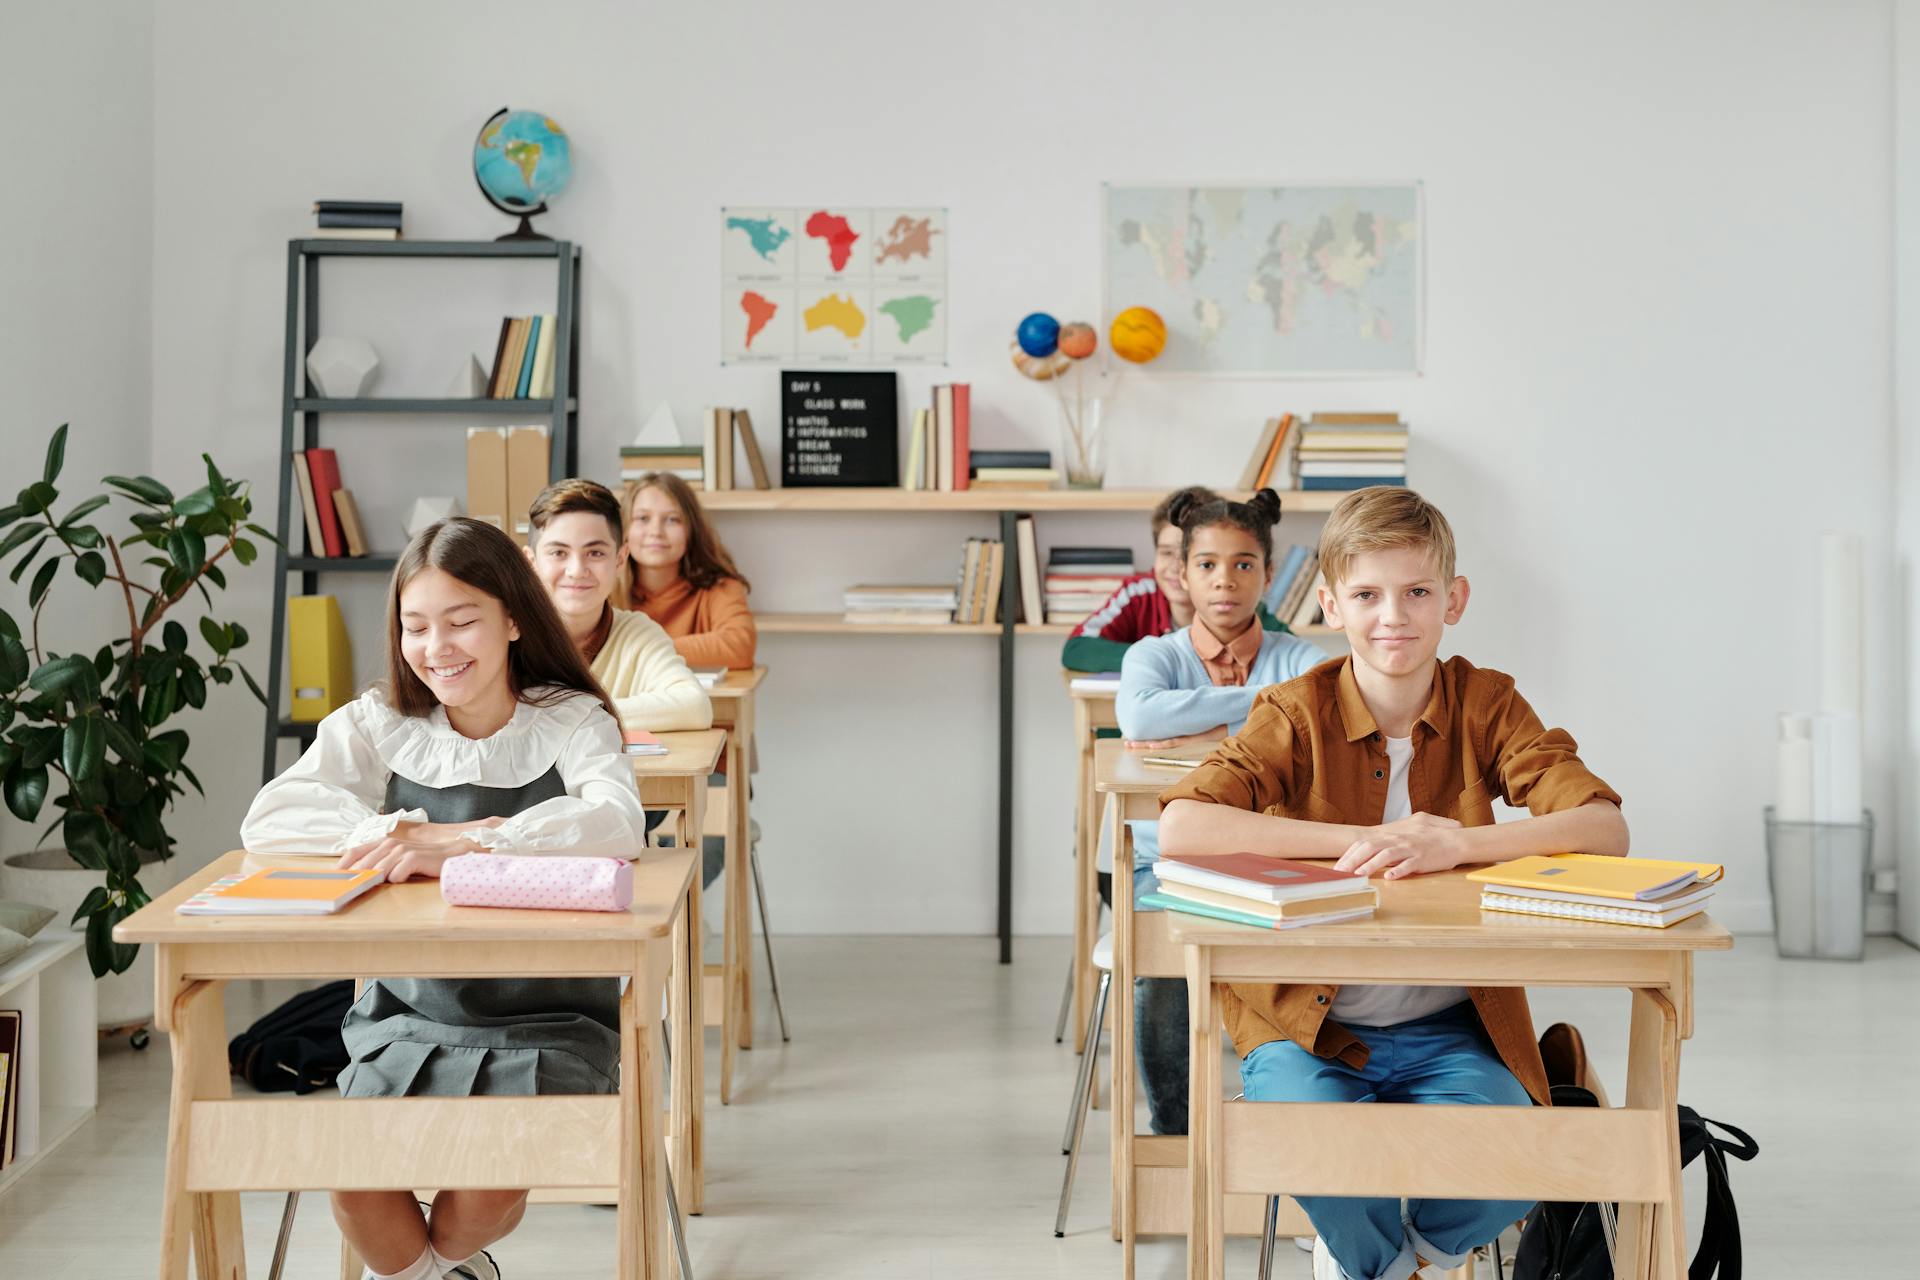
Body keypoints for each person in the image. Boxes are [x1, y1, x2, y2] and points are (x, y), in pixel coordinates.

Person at [1158, 486, 1629, 1280]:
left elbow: (1603, 828)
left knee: (1525, 1152)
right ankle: (1378, 1263)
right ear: (1333, 604)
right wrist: (1367, 839)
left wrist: (1458, 843)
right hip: (1309, 1028)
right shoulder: (1294, 709)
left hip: (1454, 1028)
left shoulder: (1488, 702)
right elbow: (1183, 825)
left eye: (1417, 593)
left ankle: (1417, 1257)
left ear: (1455, 599)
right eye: (1368, 595)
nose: (1394, 617)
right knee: (1315, 1143)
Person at [241, 517, 651, 1280]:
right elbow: (271, 817)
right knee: (358, 1191)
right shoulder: (384, 722)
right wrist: (396, 828)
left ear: (513, 619)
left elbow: (618, 822)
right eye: (416, 627)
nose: (438, 649)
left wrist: (469, 841)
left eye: (462, 622)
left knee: (485, 1190)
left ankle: (444, 1267)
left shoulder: (571, 721)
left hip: (549, 1018)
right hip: (407, 1012)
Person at [1113, 488, 1325, 1137]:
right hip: (1170, 866)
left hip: (1284, 864)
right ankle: (1176, 1138)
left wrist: (1200, 721)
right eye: (1207, 564)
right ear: (1182, 572)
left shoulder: (1302, 656)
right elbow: (1142, 715)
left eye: (1242, 564)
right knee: (1164, 967)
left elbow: (1322, 700)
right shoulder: (1155, 654)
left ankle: (1303, 1146)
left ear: (1268, 573)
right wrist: (1267, 705)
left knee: (1337, 956)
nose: (1224, 581)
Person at [1060, 483, 1289, 674]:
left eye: (1202, 561)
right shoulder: (1139, 594)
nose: (1174, 566)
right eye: (1166, 552)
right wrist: (1164, 660)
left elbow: (1293, 655)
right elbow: (1077, 649)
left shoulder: (1239, 606)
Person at [617, 472, 756, 670]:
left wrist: (644, 649)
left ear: (691, 531)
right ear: (624, 529)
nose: (656, 531)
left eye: (672, 520)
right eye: (642, 518)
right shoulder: (604, 589)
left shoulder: (720, 588)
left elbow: (740, 648)